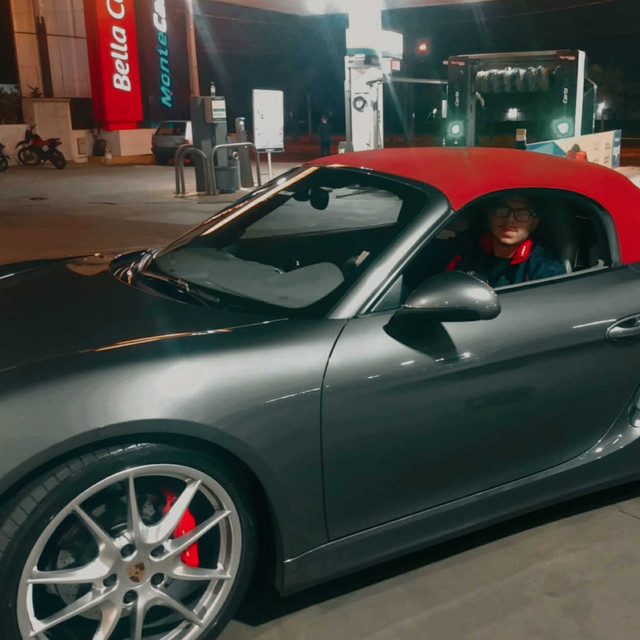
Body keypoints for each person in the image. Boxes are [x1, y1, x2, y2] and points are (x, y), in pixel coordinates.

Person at [411, 194, 567, 289]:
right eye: (502, 210)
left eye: (522, 214)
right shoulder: (466, 245)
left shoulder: (545, 269)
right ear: (490, 216)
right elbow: (413, 268)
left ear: (534, 224)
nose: (510, 220)